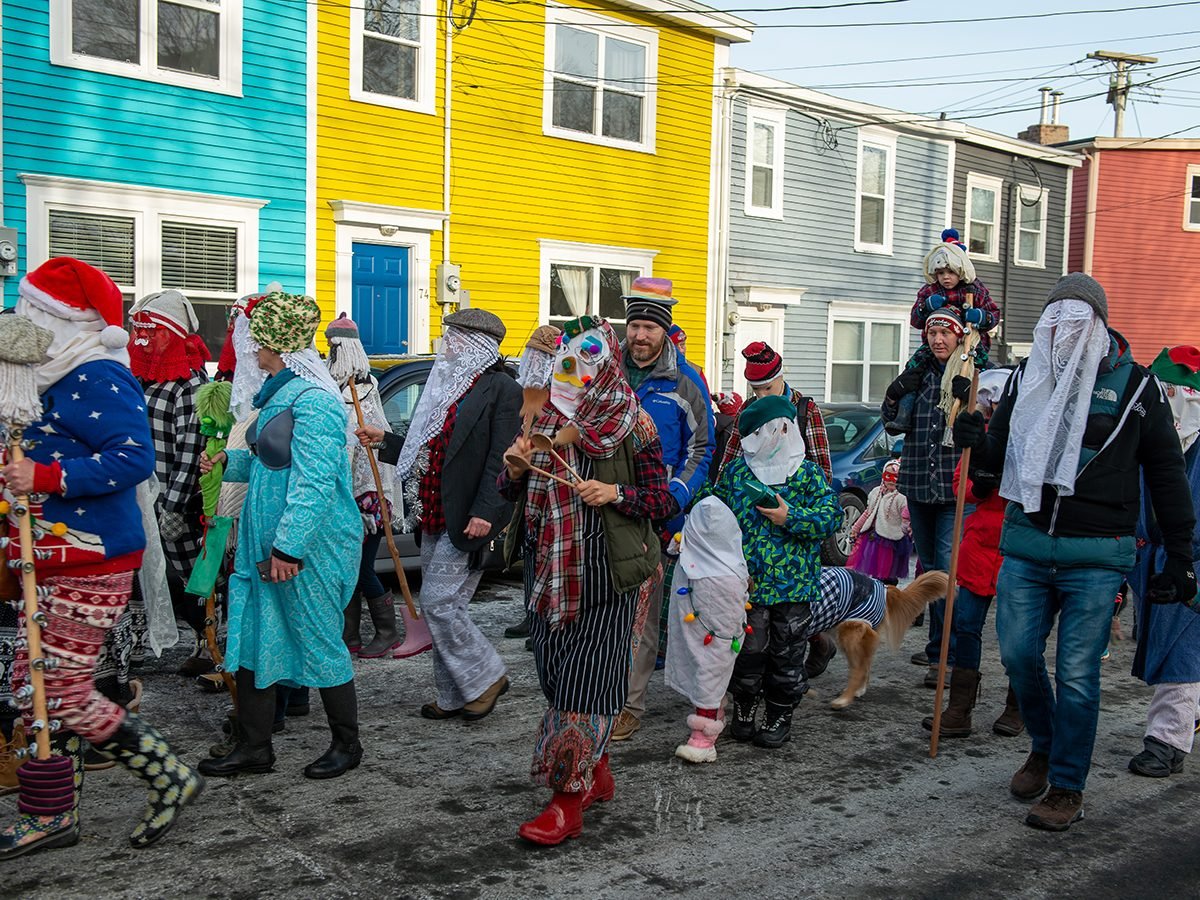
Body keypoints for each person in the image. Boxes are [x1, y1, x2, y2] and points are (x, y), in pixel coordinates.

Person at [953, 273, 1196, 831]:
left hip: (1097, 553)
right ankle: (1045, 743)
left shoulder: (1137, 388)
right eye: (1052, 322)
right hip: (1029, 545)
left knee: (1078, 672)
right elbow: (997, 466)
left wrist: (1180, 554)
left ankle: (1066, 784)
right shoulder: (1025, 379)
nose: (1062, 335)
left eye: (1074, 322)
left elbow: (1165, 473)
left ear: (1099, 326)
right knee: (1016, 655)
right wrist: (976, 439)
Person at [0, 257, 203, 858]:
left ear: (67, 320)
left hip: (93, 555)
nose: (22, 321)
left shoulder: (96, 375)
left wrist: (43, 475)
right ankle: (53, 811)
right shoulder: (39, 378)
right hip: (45, 556)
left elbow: (133, 459)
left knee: (57, 690)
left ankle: (166, 774)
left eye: (35, 312)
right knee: (35, 687)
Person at [500, 315, 671, 845]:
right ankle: (596, 771)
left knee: (583, 686)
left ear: (604, 369)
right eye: (565, 366)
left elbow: (661, 500)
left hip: (610, 571)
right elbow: (513, 494)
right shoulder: (543, 419)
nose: (571, 376)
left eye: (582, 367)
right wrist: (513, 471)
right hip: (549, 570)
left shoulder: (632, 422)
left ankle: (565, 804)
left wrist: (614, 494)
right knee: (554, 677)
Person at [198, 290, 364, 780]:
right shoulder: (278, 395)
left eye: (259, 342)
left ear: (281, 345)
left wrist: (289, 547)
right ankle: (254, 746)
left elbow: (313, 482)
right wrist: (232, 459)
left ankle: (347, 743)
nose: (252, 350)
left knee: (316, 637)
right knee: (255, 637)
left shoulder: (316, 404)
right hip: (264, 545)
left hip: (307, 548)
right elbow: (273, 462)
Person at [360, 308, 520, 721]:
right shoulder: (449, 385)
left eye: (451, 338)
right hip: (435, 509)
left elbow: (501, 459)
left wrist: (487, 510)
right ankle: (453, 695)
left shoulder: (502, 389)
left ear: (473, 342)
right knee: (449, 607)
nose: (444, 345)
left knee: (438, 603)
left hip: (469, 513)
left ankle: (486, 677)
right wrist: (388, 442)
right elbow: (431, 449)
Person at [611, 277, 714, 742]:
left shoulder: (684, 381)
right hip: (605, 506)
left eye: (649, 327)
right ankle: (598, 692)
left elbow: (702, 448)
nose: (639, 336)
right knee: (604, 610)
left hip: (656, 517)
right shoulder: (605, 374)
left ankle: (629, 704)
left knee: (642, 616)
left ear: (664, 331)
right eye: (634, 325)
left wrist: (676, 494)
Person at [711, 395, 841, 748]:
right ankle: (745, 705)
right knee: (748, 651)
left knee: (787, 653)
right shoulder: (738, 474)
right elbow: (714, 508)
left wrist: (791, 517)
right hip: (749, 587)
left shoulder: (807, 475)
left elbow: (832, 516)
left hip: (794, 587)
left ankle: (779, 711)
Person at [722, 340, 837, 680]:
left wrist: (793, 510)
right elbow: (729, 463)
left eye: (767, 387)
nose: (762, 395)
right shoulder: (749, 413)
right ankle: (747, 692)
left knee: (789, 623)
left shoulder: (804, 409)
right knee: (753, 627)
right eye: (755, 389)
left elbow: (822, 468)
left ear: (781, 378)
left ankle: (809, 652)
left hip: (792, 531)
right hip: (753, 536)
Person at [881, 306, 972, 689]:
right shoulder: (918, 377)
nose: (938, 339)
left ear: (958, 337)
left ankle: (948, 659)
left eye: (945, 333)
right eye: (932, 333)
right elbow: (893, 422)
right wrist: (896, 391)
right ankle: (937, 649)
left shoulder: (969, 375)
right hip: (918, 485)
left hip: (952, 490)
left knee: (949, 573)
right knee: (931, 569)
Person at [922, 368, 1014, 740]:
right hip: (978, 549)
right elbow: (961, 485)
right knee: (965, 627)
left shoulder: (1027, 437)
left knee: (1016, 636)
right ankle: (959, 708)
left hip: (1015, 552)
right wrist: (980, 481)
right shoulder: (979, 438)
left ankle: (1017, 703)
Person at [128, 289, 212, 677]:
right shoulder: (139, 378)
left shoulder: (188, 384)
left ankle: (210, 642)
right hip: (136, 497)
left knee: (190, 578)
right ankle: (135, 644)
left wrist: (175, 505)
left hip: (171, 501)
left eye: (151, 331)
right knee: (138, 574)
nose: (142, 339)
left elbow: (191, 450)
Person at [1127, 346, 1200, 777]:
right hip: (1146, 558)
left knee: (1181, 649)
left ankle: (1166, 739)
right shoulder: (1142, 440)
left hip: (1191, 559)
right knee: (1161, 643)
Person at [324, 313, 402, 659]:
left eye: (336, 346)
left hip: (367, 496)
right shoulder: (332, 388)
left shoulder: (364, 390)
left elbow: (370, 441)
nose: (331, 352)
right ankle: (349, 633)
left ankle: (387, 631)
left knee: (361, 568)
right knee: (345, 567)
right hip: (341, 494)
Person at [664, 496, 749, 764]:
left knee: (709, 672)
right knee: (706, 674)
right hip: (702, 633)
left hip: (716, 637)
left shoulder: (725, 574)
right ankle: (715, 714)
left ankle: (704, 739)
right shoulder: (725, 563)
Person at [890, 231, 999, 435]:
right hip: (930, 350)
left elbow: (994, 314)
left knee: (981, 371)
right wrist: (926, 306)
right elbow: (915, 319)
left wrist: (980, 316)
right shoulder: (930, 291)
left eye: (950, 272)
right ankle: (904, 414)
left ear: (961, 269)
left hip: (970, 345)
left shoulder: (975, 290)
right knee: (913, 369)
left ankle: (964, 413)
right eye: (940, 273)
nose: (945, 277)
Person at [846, 459, 911, 585]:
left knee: (888, 571)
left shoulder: (901, 497)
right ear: (883, 476)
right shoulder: (876, 492)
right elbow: (867, 512)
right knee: (872, 567)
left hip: (891, 539)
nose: (891, 480)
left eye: (896, 477)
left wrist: (908, 527)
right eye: (888, 476)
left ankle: (889, 590)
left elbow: (907, 516)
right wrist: (856, 528)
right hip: (873, 537)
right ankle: (875, 591)